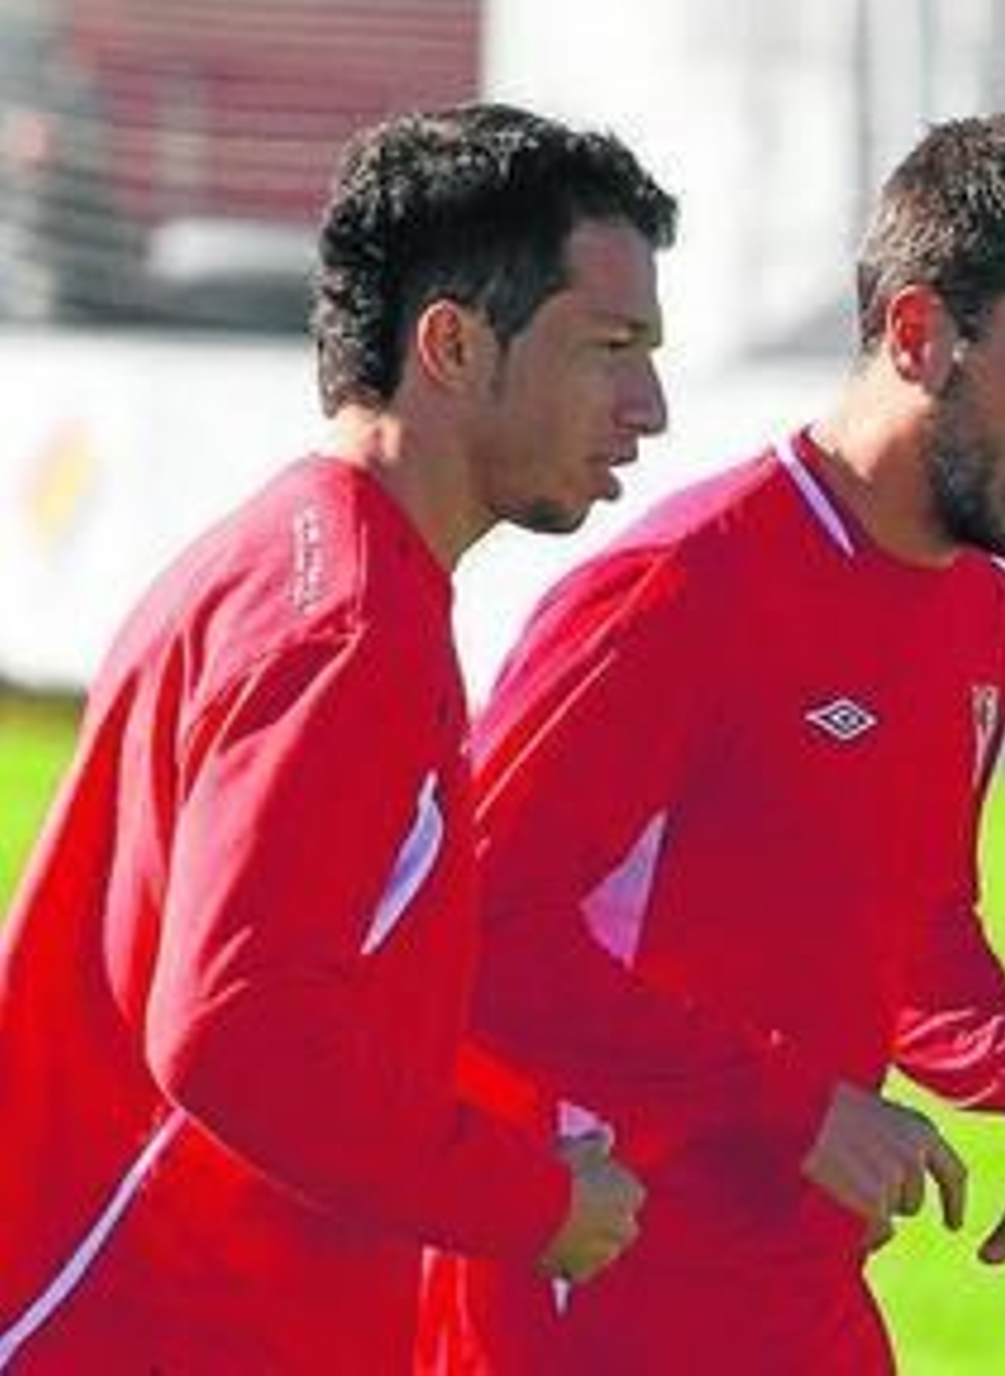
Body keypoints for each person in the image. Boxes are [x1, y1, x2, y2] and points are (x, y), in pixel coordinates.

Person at [424, 107, 1005, 1372]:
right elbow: (470, 936)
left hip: (797, 1296)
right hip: (588, 1302)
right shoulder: (677, 592)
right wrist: (786, 1101)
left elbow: (917, 941)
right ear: (918, 332)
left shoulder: (975, 609)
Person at [0, 101, 676, 1372]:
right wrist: (528, 1201)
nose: (648, 404)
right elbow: (231, 1031)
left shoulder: (312, 563)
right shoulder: (348, 627)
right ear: (453, 344)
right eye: (611, 346)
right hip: (143, 1323)